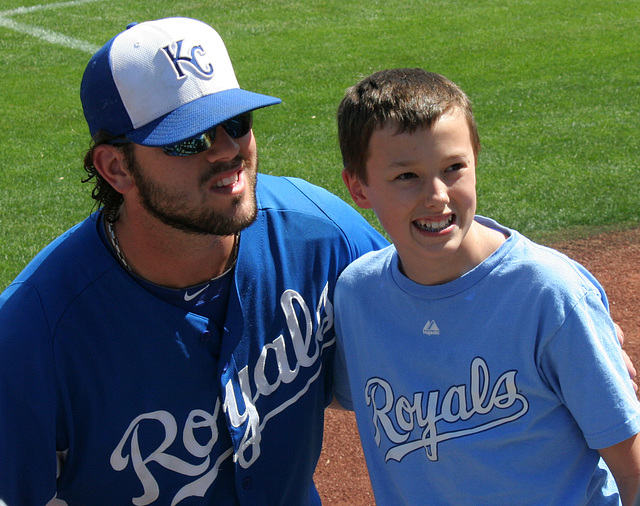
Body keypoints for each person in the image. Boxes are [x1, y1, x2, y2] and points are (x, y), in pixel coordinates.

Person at [0, 17, 388, 505]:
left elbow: (436, 317)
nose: (227, 150)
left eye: (236, 123)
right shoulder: (31, 333)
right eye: (189, 138)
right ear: (116, 167)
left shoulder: (319, 233)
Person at [333, 68, 640, 505]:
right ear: (358, 187)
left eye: (453, 167)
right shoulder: (356, 297)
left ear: (475, 160)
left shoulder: (548, 294)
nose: (437, 194)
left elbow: (633, 470)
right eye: (407, 176)